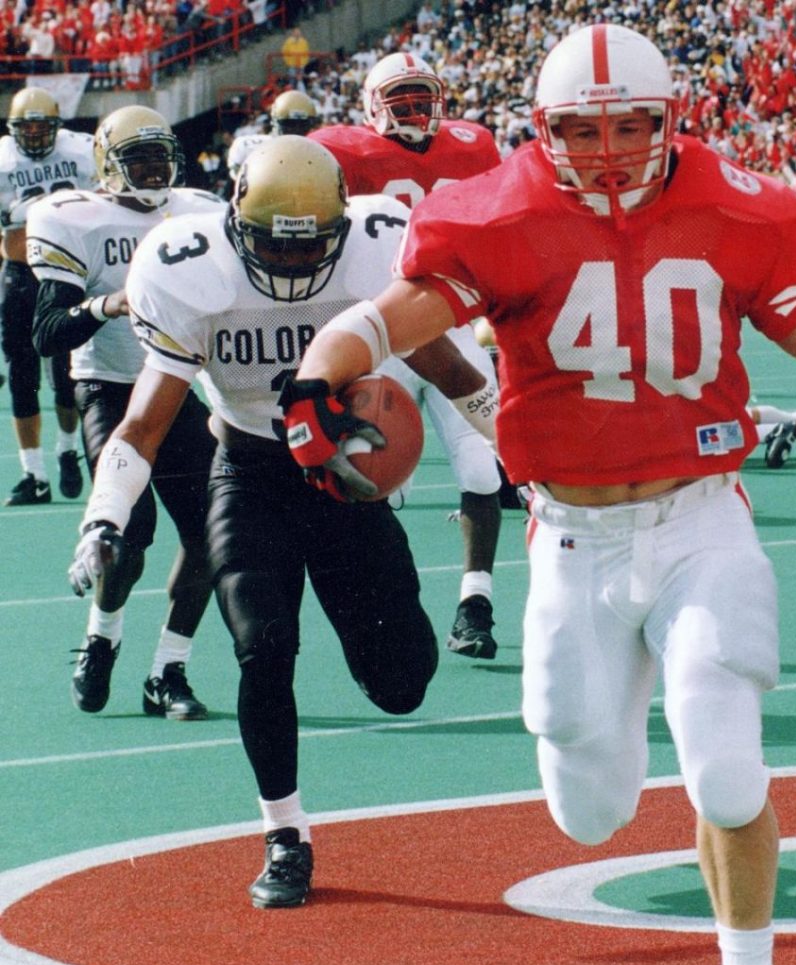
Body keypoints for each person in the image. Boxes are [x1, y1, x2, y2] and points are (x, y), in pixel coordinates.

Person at [284, 25, 796, 965]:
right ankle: (608, 761)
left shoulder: (737, 207)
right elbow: (391, 316)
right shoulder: (497, 209)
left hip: (699, 514)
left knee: (725, 763)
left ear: (674, 120)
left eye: (634, 124)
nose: (614, 148)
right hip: (574, 534)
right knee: (590, 810)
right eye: (586, 128)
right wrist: (318, 370)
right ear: (546, 131)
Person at [66, 136, 457, 909]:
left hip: (349, 477)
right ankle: (285, 833)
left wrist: (519, 457)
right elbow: (142, 425)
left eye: (312, 244)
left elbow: (453, 367)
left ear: (343, 228)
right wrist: (103, 518)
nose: (292, 264)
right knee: (263, 648)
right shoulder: (187, 268)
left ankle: (358, 704)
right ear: (238, 222)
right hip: (250, 472)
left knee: (402, 683)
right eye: (277, 246)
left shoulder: (378, 246)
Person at [29, 106, 223, 718]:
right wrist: (106, 305)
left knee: (213, 534)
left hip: (176, 386)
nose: (153, 169)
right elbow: (47, 332)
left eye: (161, 156)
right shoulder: (74, 219)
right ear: (109, 166)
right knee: (128, 539)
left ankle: (168, 670)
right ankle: (102, 638)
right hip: (109, 388)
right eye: (138, 158)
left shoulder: (197, 210)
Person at [311, 51, 505, 659]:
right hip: (386, 334)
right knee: (367, 472)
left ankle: (477, 603)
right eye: (404, 101)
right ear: (373, 107)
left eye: (425, 99)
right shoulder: (340, 151)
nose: (418, 112)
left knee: (481, 468)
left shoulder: (474, 147)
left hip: (455, 328)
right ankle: (386, 598)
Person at [0, 87, 95, 506]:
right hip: (19, 274)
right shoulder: (3, 159)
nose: (35, 134)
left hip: (63, 272)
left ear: (58, 126)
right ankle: (34, 474)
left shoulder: (82, 150)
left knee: (65, 375)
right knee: (22, 376)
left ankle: (67, 448)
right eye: (27, 126)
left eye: (43, 126)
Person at [226, 88, 320, 182]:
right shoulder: (247, 144)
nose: (296, 129)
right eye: (289, 123)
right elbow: (236, 174)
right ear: (274, 120)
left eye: (303, 124)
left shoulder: (314, 151)